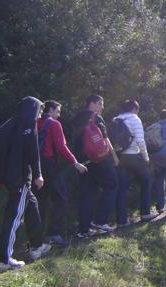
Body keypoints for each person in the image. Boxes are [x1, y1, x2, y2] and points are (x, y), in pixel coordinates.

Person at [0, 97, 51, 273]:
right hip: (20, 180)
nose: (40, 114)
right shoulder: (29, 125)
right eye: (40, 110)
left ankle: (37, 246)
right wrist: (38, 175)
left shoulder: (12, 124)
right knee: (13, 218)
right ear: (34, 109)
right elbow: (33, 153)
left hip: (10, 178)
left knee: (32, 205)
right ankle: (2, 259)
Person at [36, 100, 88, 246]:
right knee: (61, 198)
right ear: (50, 110)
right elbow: (61, 146)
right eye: (58, 111)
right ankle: (53, 233)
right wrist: (75, 162)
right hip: (50, 165)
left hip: (36, 166)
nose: (59, 115)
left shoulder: (35, 123)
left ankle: (36, 237)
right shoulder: (54, 124)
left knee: (41, 201)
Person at [72, 94, 119, 238]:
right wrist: (114, 156)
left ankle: (83, 230)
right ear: (91, 103)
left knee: (87, 195)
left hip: (82, 163)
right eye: (100, 103)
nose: (102, 106)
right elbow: (105, 139)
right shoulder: (96, 117)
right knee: (112, 185)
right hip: (99, 160)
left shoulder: (76, 118)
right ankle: (100, 220)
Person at [115, 100, 156, 225]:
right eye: (137, 110)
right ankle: (145, 213)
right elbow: (140, 140)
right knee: (146, 180)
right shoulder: (135, 119)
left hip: (120, 157)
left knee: (122, 188)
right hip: (134, 156)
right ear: (134, 109)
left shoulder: (116, 119)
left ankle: (122, 220)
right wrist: (146, 158)